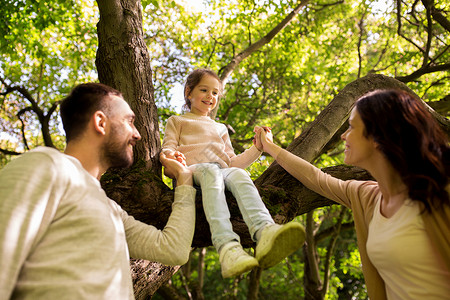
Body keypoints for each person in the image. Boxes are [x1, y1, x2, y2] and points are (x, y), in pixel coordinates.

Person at [0, 83, 197, 299]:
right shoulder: (47, 166)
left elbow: (174, 249)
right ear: (101, 122)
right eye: (129, 121)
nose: (138, 134)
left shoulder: (112, 211)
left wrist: (184, 179)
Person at [257, 89, 450, 299]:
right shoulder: (367, 198)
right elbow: (315, 178)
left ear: (377, 135)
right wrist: (269, 147)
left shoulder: (440, 192)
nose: (343, 135)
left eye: (351, 127)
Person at [161, 68, 305, 278]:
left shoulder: (220, 128)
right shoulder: (178, 121)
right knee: (211, 170)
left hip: (221, 172)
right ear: (188, 92)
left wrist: (257, 148)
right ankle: (227, 248)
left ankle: (265, 231)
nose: (210, 96)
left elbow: (233, 162)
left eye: (215, 93)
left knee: (239, 175)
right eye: (204, 90)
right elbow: (167, 148)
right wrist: (173, 157)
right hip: (191, 172)